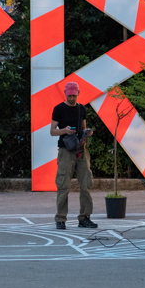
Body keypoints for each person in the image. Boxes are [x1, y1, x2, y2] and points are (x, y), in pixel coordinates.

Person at [51, 81, 96, 230]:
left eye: (74, 96)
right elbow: (52, 131)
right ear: (65, 93)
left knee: (85, 183)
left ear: (78, 94)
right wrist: (64, 130)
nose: (71, 98)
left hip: (81, 149)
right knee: (63, 185)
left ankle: (84, 217)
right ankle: (60, 219)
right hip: (65, 149)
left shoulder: (81, 109)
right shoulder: (58, 109)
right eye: (69, 95)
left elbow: (83, 128)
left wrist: (87, 133)